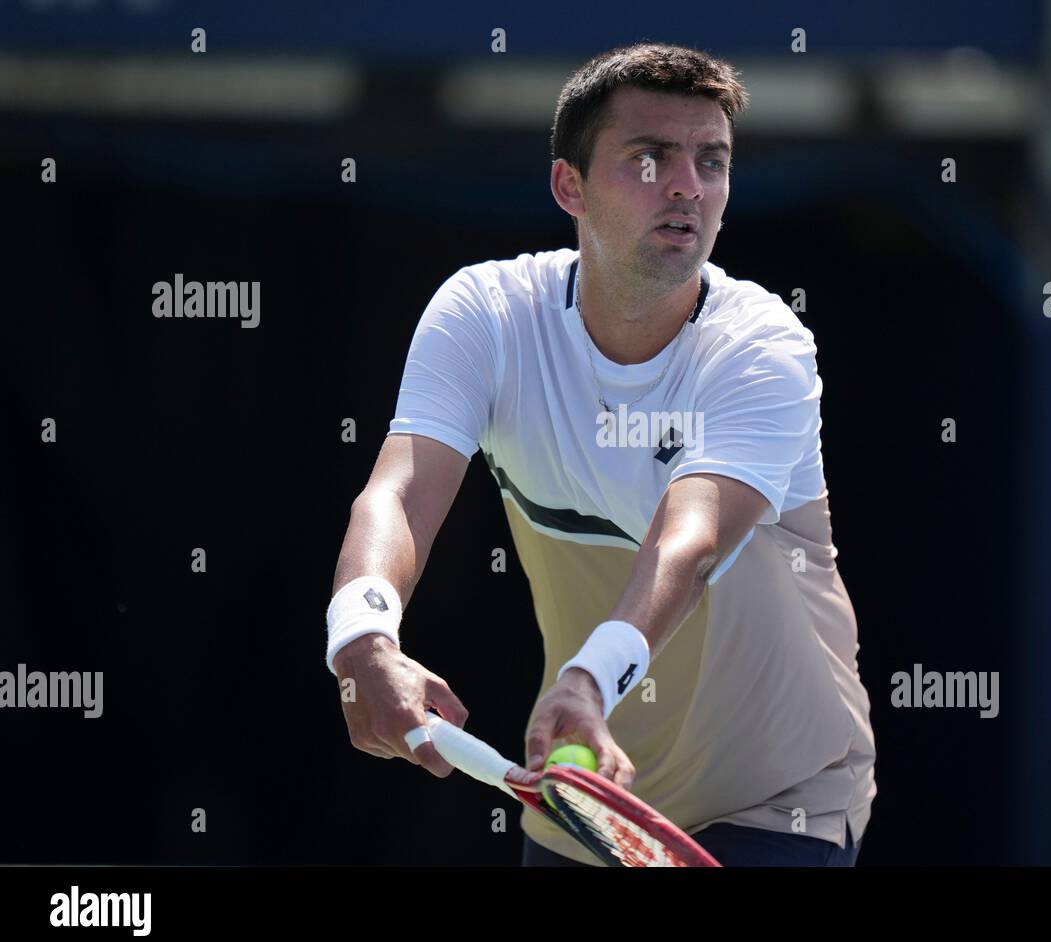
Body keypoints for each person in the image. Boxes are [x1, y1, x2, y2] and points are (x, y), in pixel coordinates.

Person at [325, 42, 876, 867]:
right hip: (581, 799)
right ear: (568, 186)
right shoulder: (484, 315)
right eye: (650, 158)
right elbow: (399, 495)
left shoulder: (763, 346)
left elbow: (686, 547)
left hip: (778, 801)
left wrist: (584, 682)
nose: (688, 184)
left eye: (711, 160)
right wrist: (364, 642)